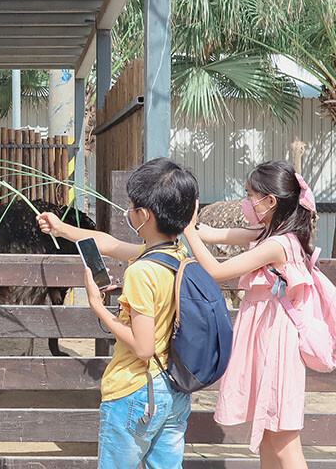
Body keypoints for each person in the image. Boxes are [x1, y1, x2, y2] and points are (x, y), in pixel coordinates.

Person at [36, 157, 198, 469]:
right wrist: (61, 227)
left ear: (145, 215)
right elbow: (109, 244)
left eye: (133, 206)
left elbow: (143, 346)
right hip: (173, 393)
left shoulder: (142, 271)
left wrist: (99, 308)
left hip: (134, 391)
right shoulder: (177, 256)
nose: (129, 212)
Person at [184, 160, 316, 468]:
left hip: (276, 341)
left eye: (249, 194)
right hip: (267, 336)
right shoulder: (267, 231)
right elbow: (217, 234)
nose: (245, 201)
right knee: (269, 436)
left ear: (270, 201)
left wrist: (189, 233)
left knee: (284, 439)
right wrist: (189, 225)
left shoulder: (279, 244)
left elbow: (217, 271)